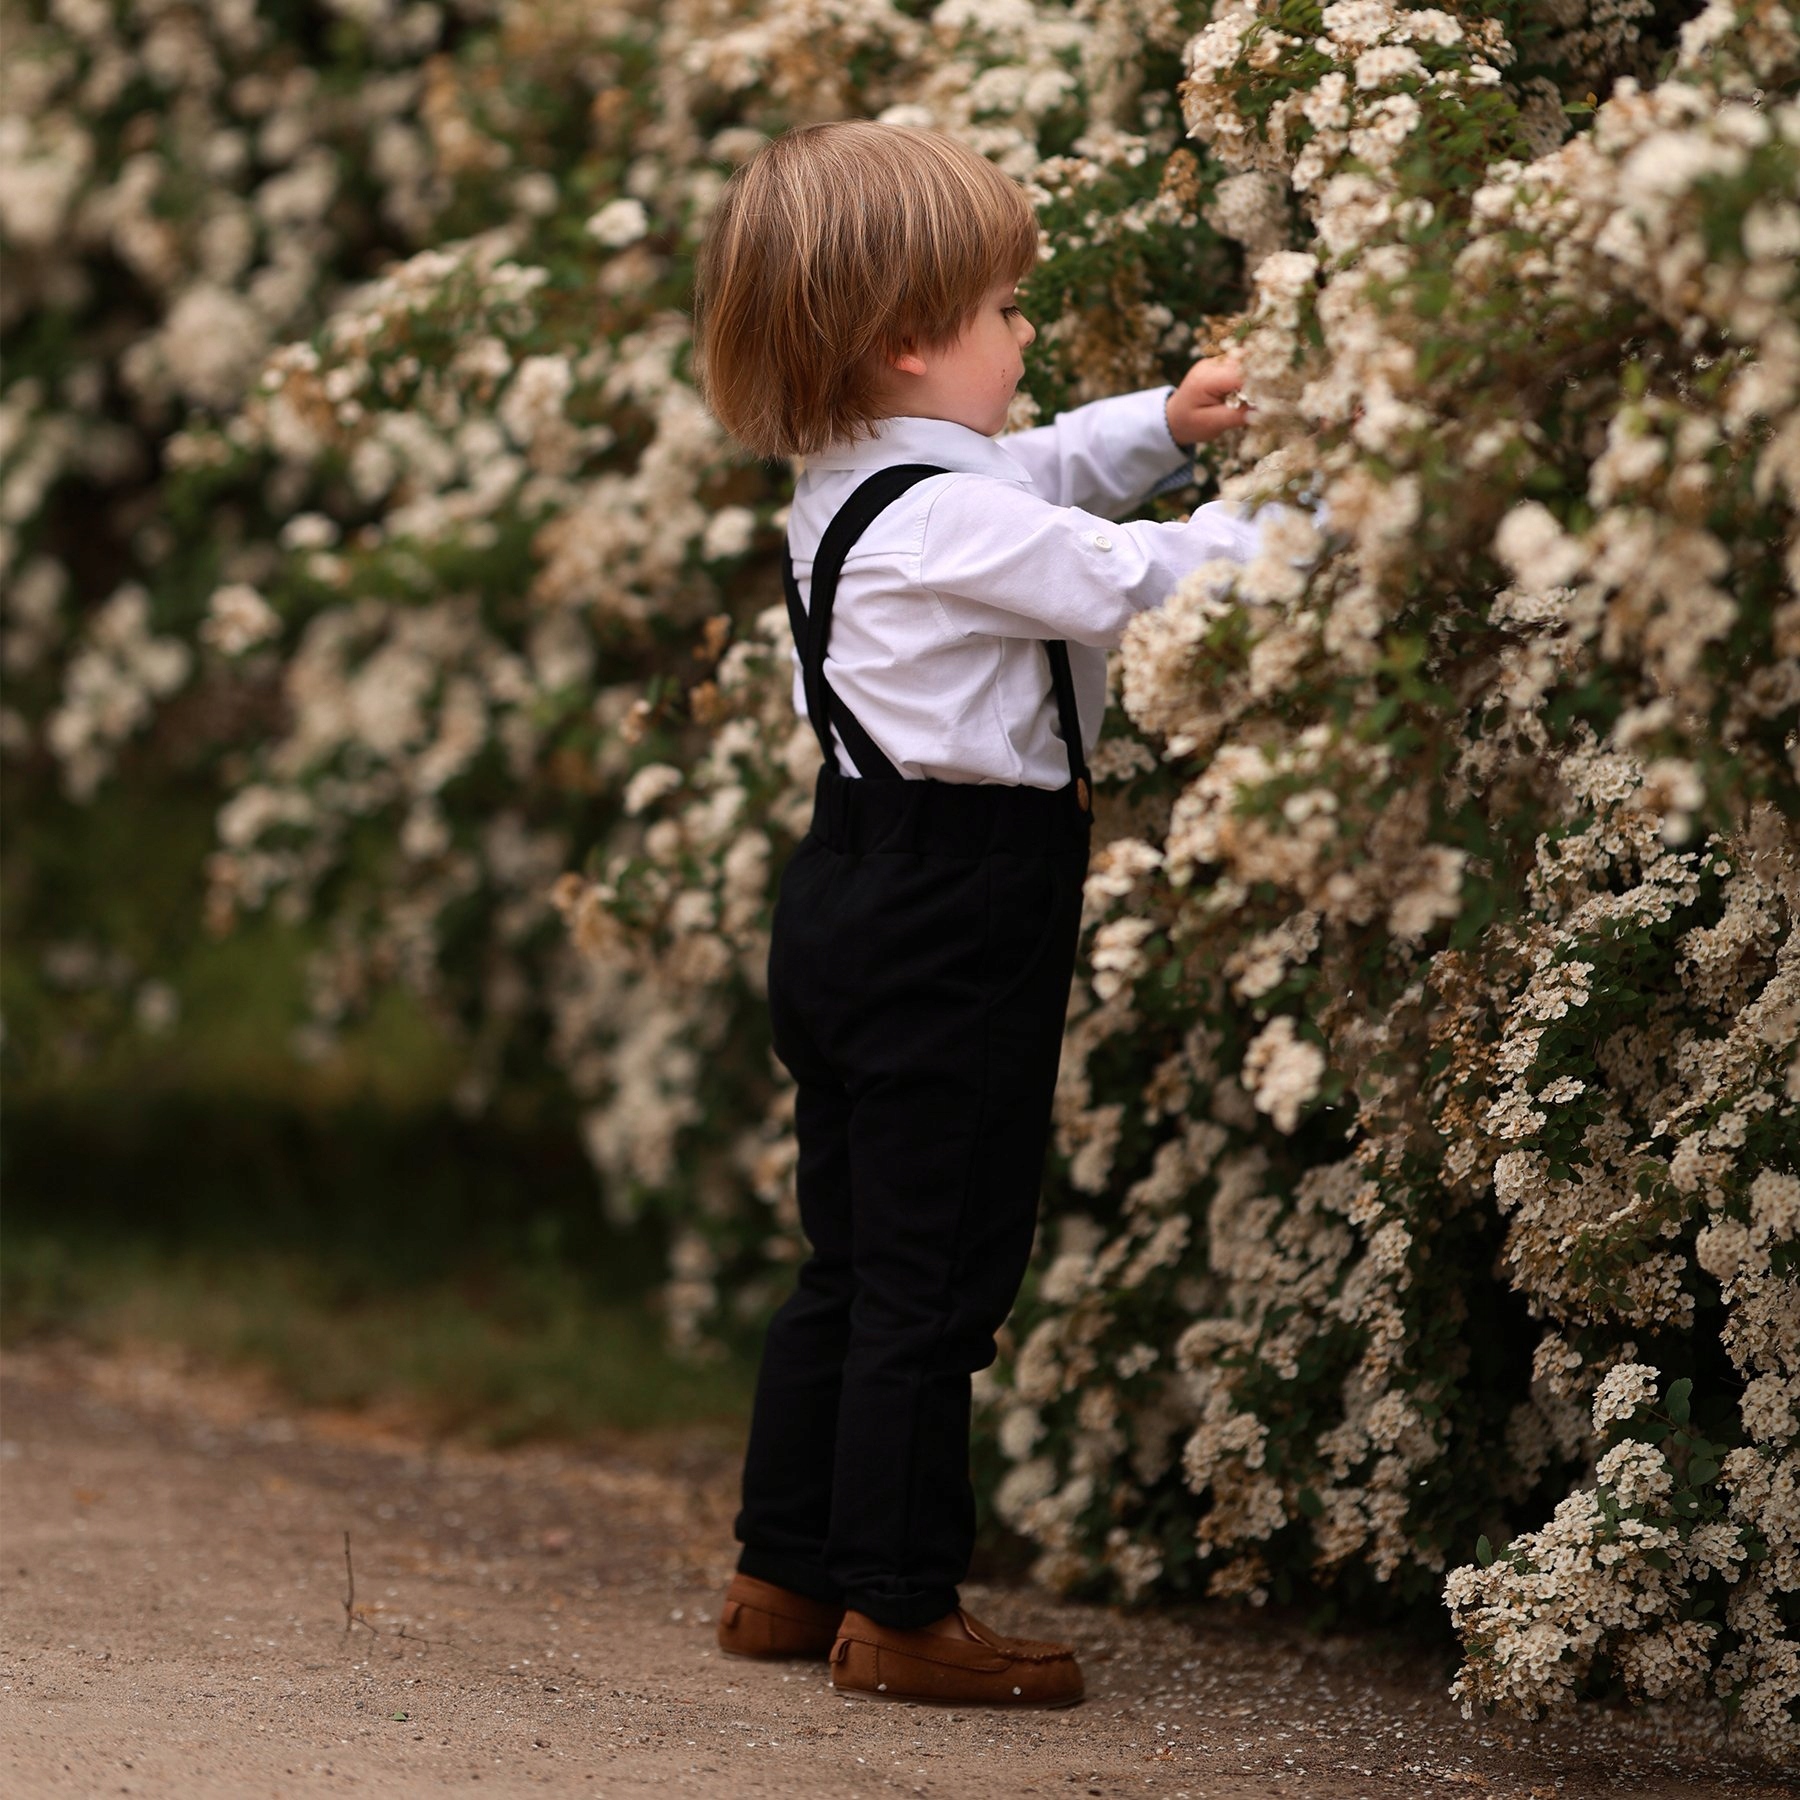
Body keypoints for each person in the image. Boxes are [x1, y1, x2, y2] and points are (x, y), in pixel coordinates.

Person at [690, 120, 1282, 1709]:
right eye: (1008, 312)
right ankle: (898, 1604)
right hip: (960, 906)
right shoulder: (954, 523)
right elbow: (1139, 582)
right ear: (905, 339)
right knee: (935, 1274)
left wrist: (1160, 419)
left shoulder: (864, 485)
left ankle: (785, 1569)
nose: (1028, 335)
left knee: (851, 1252)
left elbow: (1042, 469)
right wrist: (1330, 519)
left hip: (856, 890)